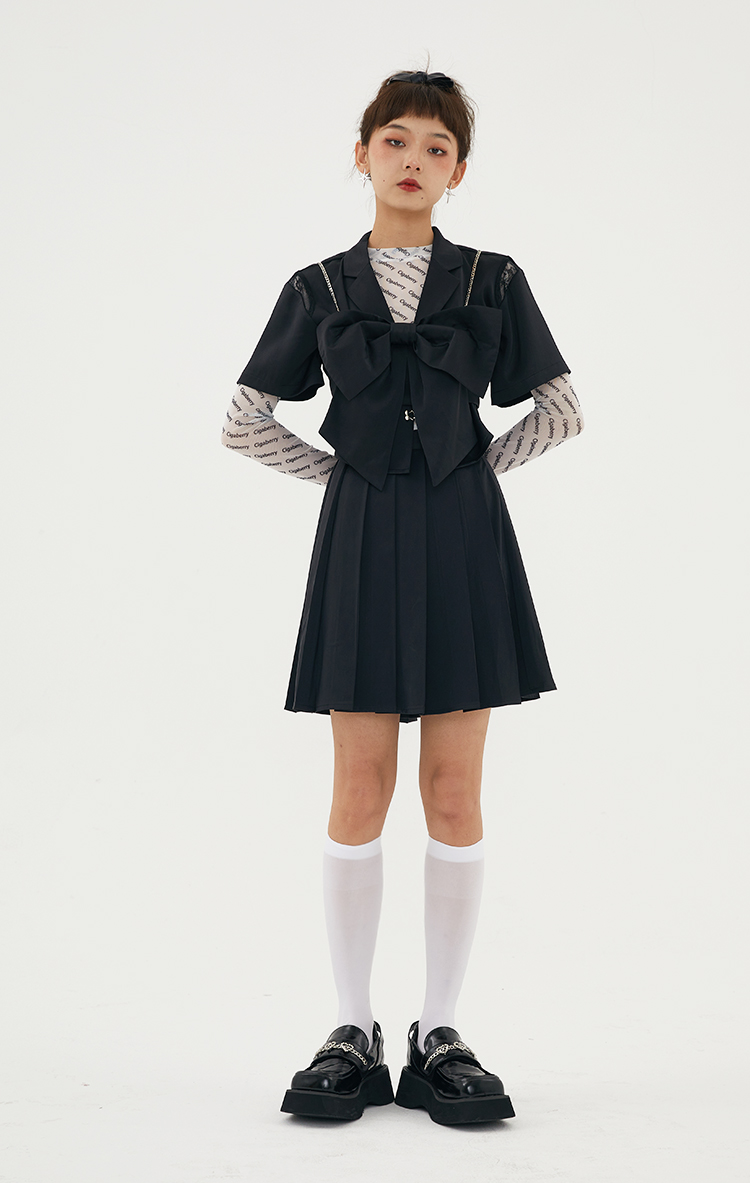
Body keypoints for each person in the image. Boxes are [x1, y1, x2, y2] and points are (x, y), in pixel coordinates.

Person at [222, 68, 584, 1126]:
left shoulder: (495, 279)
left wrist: (463, 473)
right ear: (362, 153)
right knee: (359, 786)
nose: (414, 160)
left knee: (456, 793)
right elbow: (242, 420)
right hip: (363, 537)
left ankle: (440, 1031)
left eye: (436, 146)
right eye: (396, 140)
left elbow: (562, 409)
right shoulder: (317, 288)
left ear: (459, 170)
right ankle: (352, 1027)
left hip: (464, 540)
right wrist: (348, 477)